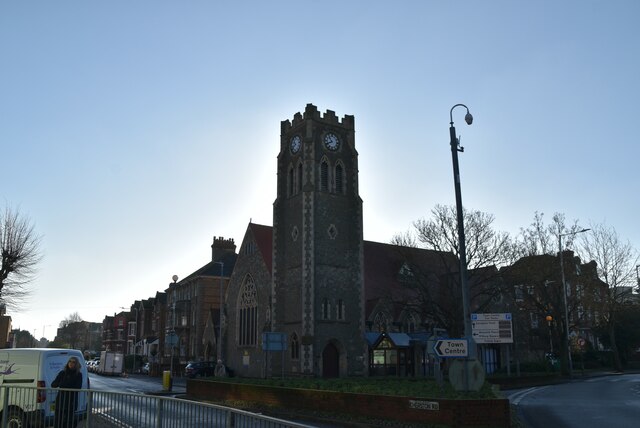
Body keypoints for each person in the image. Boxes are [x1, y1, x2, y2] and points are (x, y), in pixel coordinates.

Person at [51, 356, 83, 428]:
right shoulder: (62, 373)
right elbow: (53, 384)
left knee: (69, 422)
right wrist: (62, 384)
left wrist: (63, 385)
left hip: (71, 402)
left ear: (76, 364)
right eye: (70, 361)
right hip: (60, 401)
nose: (71, 363)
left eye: (73, 362)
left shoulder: (78, 375)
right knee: (58, 422)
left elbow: (78, 387)